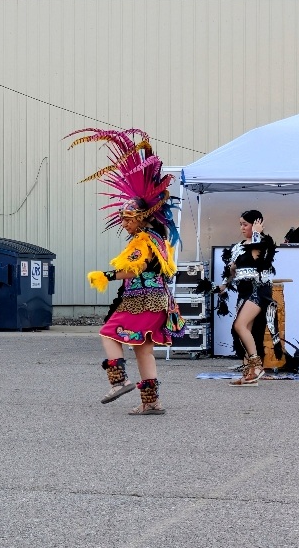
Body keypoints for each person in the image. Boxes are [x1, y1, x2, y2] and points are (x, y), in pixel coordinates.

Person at [69, 128, 185, 415]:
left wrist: (105, 276)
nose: (124, 223)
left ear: (142, 217)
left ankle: (119, 381)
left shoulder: (143, 241)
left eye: (128, 218)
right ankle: (151, 402)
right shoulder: (159, 239)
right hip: (159, 300)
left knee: (108, 333)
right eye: (122, 218)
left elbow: (134, 269)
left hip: (142, 300)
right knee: (143, 349)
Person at [210, 210, 281, 386]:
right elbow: (232, 270)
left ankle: (257, 366)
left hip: (258, 289)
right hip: (243, 291)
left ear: (256, 224)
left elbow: (258, 259)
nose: (242, 228)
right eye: (240, 224)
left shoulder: (263, 243)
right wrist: (224, 285)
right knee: (244, 331)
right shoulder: (238, 247)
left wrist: (257, 233)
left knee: (239, 325)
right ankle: (249, 373)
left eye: (245, 224)